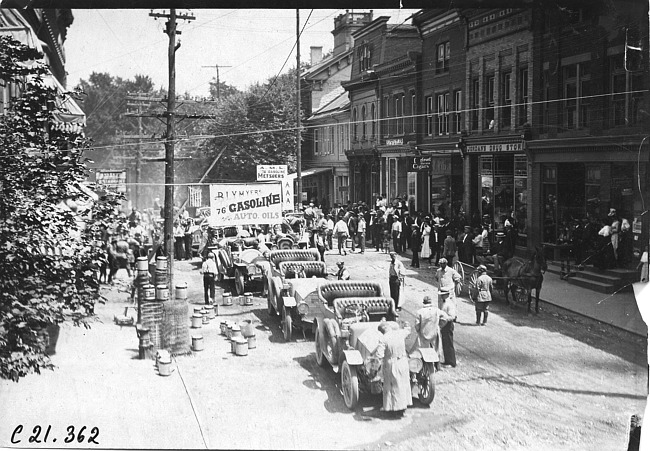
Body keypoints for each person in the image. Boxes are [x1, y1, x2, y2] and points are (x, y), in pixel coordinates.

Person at [373, 321, 412, 416]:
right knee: (403, 385)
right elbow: (408, 330)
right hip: (403, 362)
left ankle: (394, 410)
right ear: (388, 327)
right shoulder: (400, 333)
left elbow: (379, 355)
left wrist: (375, 368)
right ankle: (403, 408)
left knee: (392, 387)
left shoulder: (383, 338)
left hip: (392, 364)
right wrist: (406, 325)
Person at [434, 257, 461, 367]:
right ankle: (448, 360)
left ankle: (451, 361)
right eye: (441, 264)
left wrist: (454, 286)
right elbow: (437, 278)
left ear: (446, 264)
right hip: (442, 292)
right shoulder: (438, 272)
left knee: (448, 342)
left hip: (449, 293)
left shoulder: (451, 271)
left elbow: (458, 278)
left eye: (443, 264)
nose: (442, 266)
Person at [412, 296, 450, 368]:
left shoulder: (420, 312)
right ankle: (437, 365)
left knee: (421, 349)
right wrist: (439, 325)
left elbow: (417, 324)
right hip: (434, 333)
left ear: (424, 302)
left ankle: (421, 364)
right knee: (436, 348)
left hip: (424, 333)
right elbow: (445, 317)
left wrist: (419, 330)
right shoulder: (436, 310)